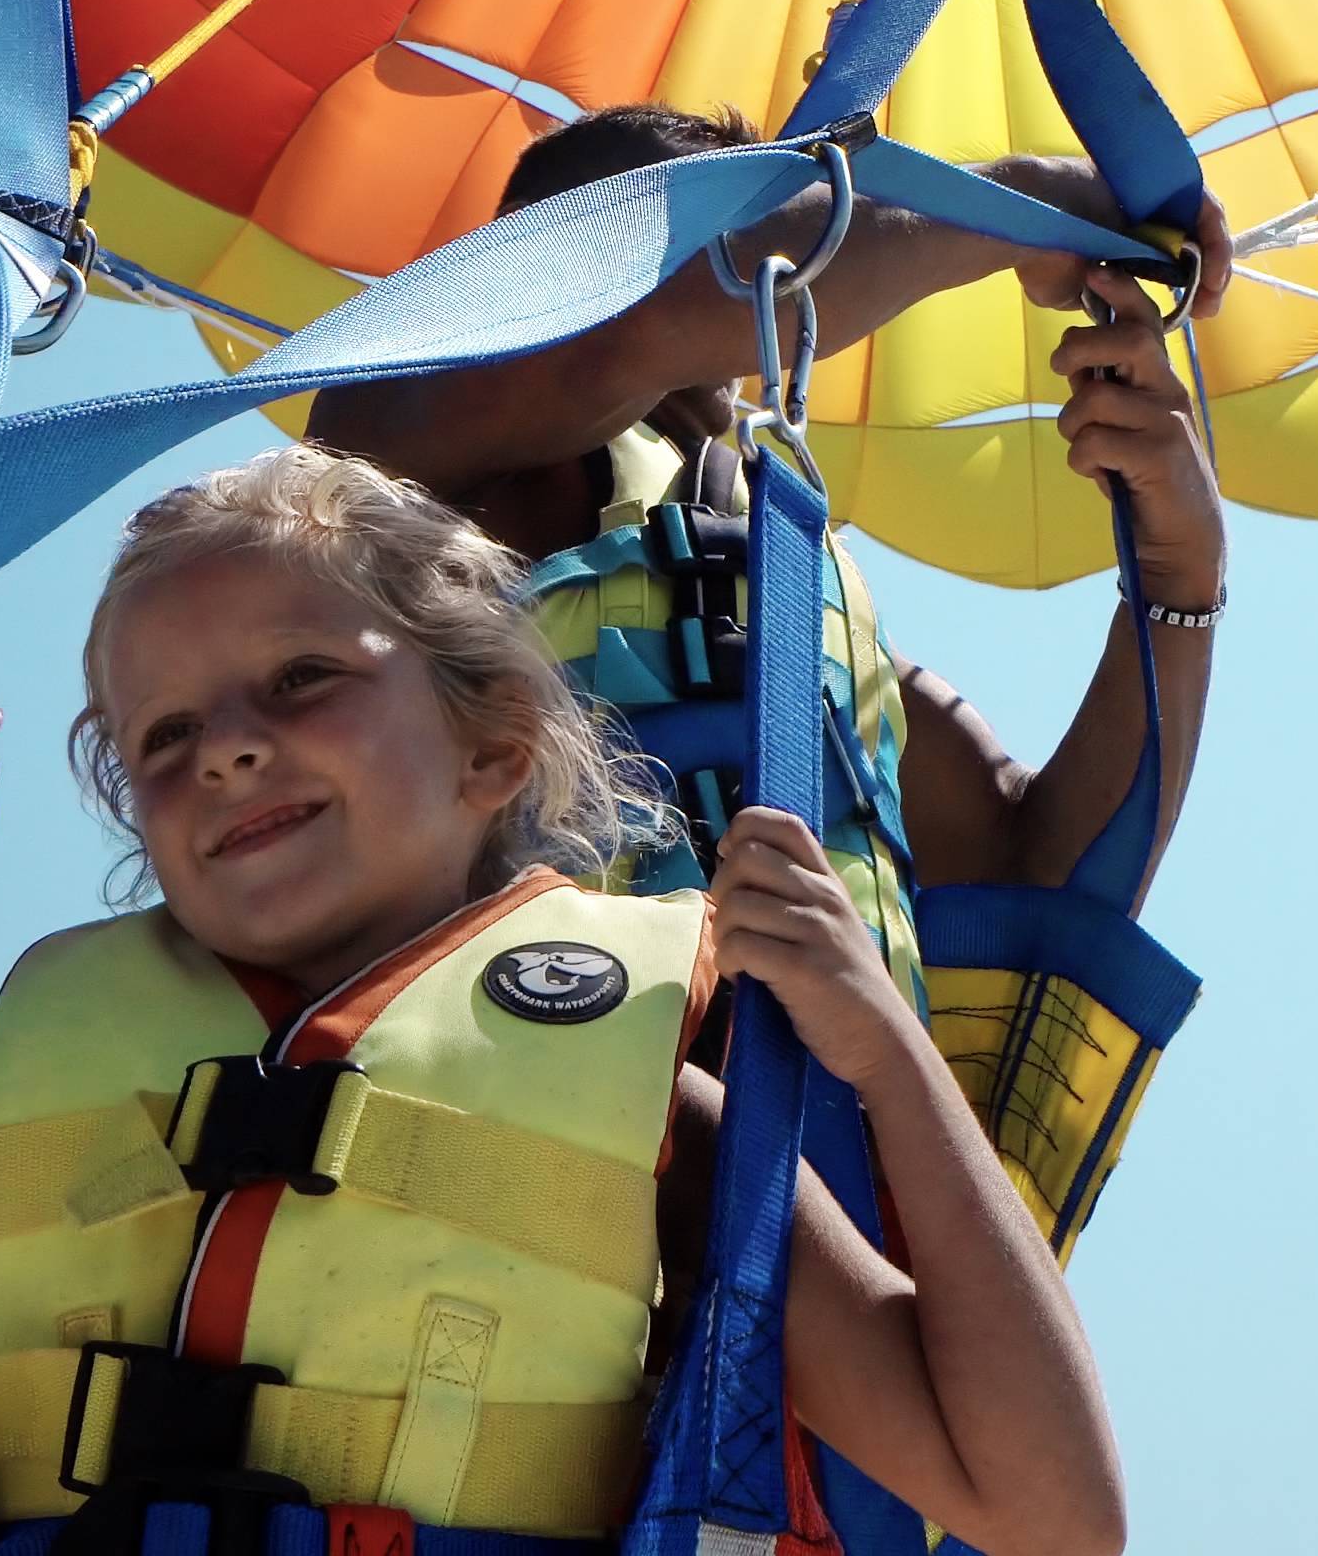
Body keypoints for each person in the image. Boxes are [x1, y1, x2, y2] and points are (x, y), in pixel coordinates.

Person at [0, 447, 1128, 1556]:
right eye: (164, 738)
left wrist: (883, 1053)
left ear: (491, 746)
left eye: (297, 682)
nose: (226, 750)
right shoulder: (73, 1121)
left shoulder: (641, 1113)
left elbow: (1052, 1514)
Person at [306, 106, 1233, 978]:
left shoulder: (774, 578)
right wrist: (1021, 202)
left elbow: (1037, 881)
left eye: (742, 226)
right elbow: (635, 328)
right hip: (512, 1096)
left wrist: (1176, 574)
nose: (735, 257)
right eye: (680, 235)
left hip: (801, 1130)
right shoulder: (389, 431)